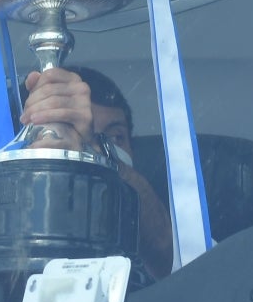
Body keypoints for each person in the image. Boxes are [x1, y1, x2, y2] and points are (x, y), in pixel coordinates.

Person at [21, 65, 173, 279]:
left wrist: (96, 158)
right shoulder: (12, 215)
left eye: (114, 138)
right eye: (72, 133)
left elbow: (173, 258)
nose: (97, 147)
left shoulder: (185, 228)